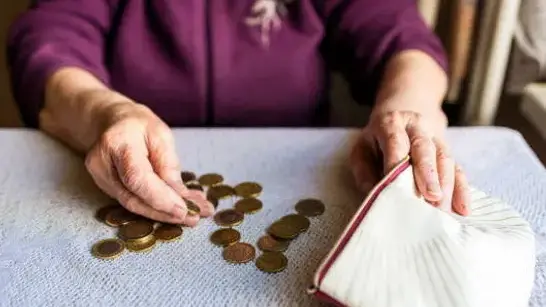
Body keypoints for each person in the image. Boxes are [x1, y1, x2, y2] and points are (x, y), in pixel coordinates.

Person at [6, 0, 469, 226]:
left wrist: (406, 107)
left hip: (303, 178)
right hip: (110, 171)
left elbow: (402, 38)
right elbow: (48, 42)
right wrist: (105, 111)